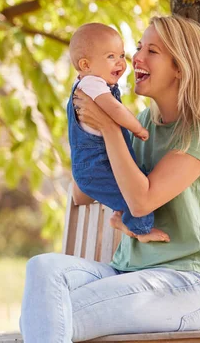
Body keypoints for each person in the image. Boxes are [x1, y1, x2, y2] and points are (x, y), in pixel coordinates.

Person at [20, 15, 200, 342]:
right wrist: (86, 128)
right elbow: (83, 192)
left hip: (181, 284)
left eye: (151, 51)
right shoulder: (144, 122)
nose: (135, 58)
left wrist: (110, 126)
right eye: (139, 47)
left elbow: (141, 202)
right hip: (124, 272)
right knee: (41, 270)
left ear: (180, 67)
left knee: (55, 313)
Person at [67, 23, 169, 243]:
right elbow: (115, 109)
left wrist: (108, 126)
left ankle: (121, 218)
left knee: (131, 184)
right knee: (129, 197)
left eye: (121, 55)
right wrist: (136, 128)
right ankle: (139, 229)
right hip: (95, 166)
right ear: (85, 64)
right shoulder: (94, 85)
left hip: (92, 166)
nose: (123, 62)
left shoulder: (89, 84)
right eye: (111, 56)